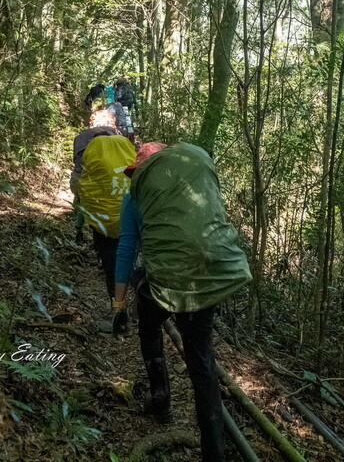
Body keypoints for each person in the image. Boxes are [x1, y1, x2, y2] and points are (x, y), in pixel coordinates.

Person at [112, 142, 251, 462]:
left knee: (148, 329)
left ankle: (160, 399)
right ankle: (214, 450)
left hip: (163, 283)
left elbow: (126, 252)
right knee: (202, 360)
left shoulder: (134, 198)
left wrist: (118, 307)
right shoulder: (194, 189)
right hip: (206, 276)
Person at [78, 134, 135, 301]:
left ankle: (115, 299)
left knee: (109, 258)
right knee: (128, 253)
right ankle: (132, 295)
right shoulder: (124, 148)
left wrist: (80, 224)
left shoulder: (95, 152)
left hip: (103, 222)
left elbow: (85, 189)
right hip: (129, 221)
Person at [70, 116, 118, 243]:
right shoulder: (115, 138)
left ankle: (78, 228)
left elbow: (78, 165)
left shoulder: (82, 138)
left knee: (82, 200)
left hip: (84, 179)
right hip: (110, 183)